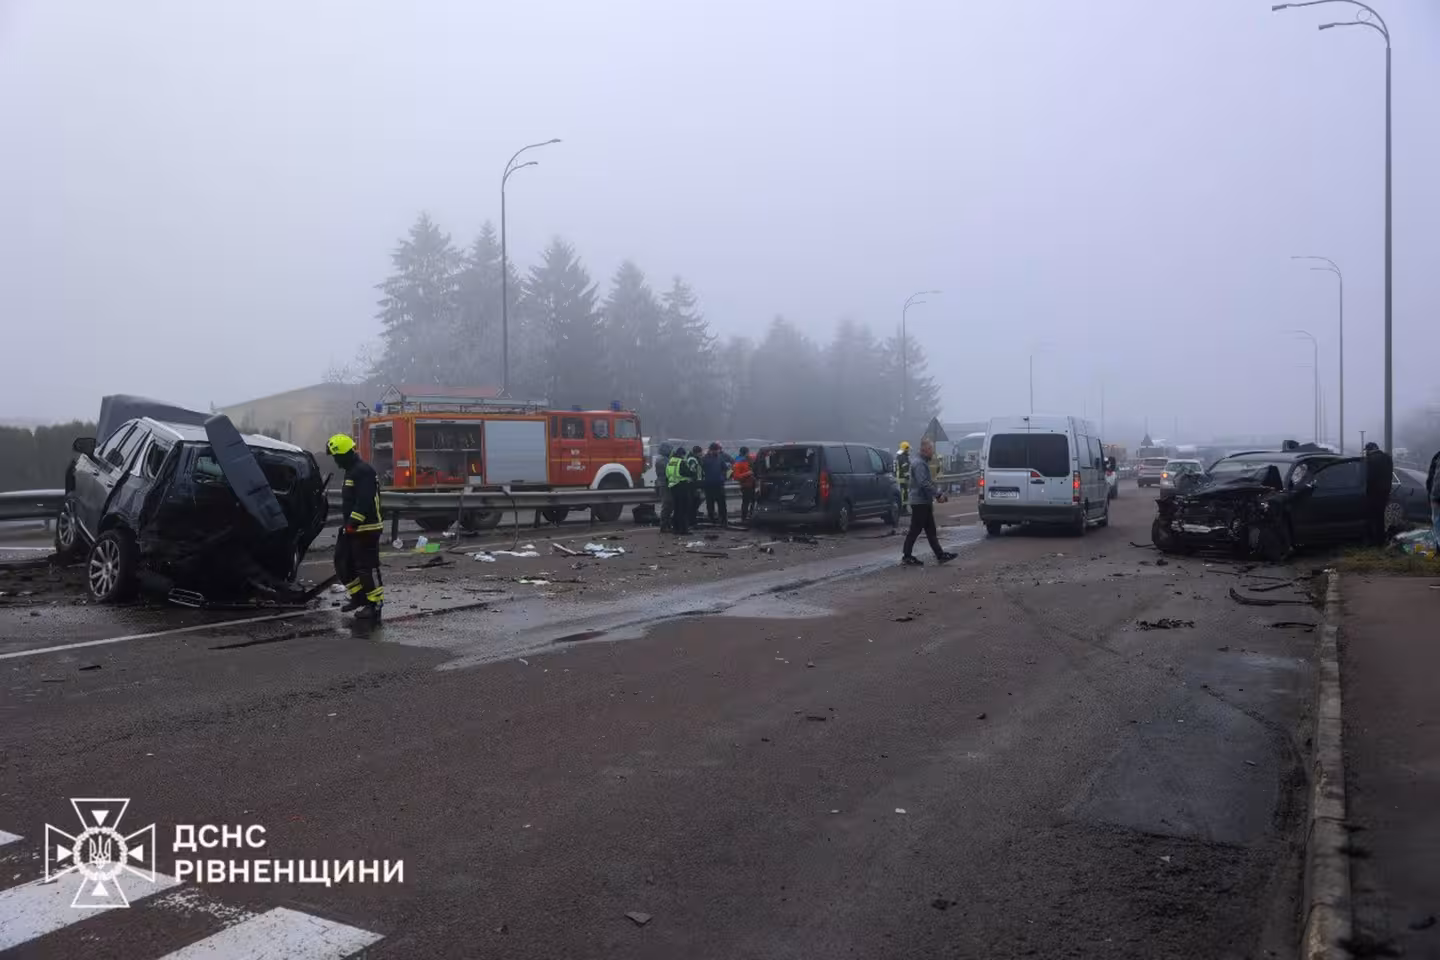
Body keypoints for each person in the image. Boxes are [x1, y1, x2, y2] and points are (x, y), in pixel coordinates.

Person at [326, 434, 385, 620]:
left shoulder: (363, 471)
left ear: (345, 454)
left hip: (367, 528)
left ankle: (374, 604)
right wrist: (348, 525)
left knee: (364, 568)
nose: (335, 461)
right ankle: (358, 597)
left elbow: (364, 501)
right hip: (353, 528)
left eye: (337, 457)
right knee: (342, 562)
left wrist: (353, 523)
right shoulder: (352, 471)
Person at [901, 438, 957, 567]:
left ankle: (940, 555)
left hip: (923, 501)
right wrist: (937, 495)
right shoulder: (919, 464)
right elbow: (923, 483)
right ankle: (907, 556)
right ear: (925, 450)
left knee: (931, 530)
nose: (933, 452)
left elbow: (925, 482)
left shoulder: (921, 462)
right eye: (931, 449)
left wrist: (935, 495)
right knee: (915, 530)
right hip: (920, 502)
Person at [1363, 441, 1394, 545]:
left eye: (1367, 450)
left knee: (1371, 517)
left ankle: (1371, 540)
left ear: (1370, 449)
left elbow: (1369, 478)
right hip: (1385, 492)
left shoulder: (1370, 459)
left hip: (1373, 492)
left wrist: (1367, 491)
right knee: (1380, 517)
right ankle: (1381, 540)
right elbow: (1390, 475)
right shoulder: (1387, 458)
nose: (1366, 452)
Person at [702, 442, 729, 527]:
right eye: (716, 450)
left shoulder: (719, 458)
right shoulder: (704, 459)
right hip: (709, 484)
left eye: (717, 450)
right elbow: (701, 470)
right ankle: (712, 519)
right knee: (710, 503)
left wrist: (724, 477)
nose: (717, 451)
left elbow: (726, 469)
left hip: (719, 484)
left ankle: (723, 519)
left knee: (722, 503)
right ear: (711, 450)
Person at [666, 446, 690, 536]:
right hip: (682, 486)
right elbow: (686, 472)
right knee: (683, 509)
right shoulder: (681, 462)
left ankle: (675, 528)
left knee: (676, 508)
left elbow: (667, 474)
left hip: (673, 486)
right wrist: (692, 473)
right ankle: (683, 529)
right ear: (682, 454)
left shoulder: (670, 461)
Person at [733, 446, 756, 522]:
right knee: (746, 502)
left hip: (752, 483)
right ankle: (744, 518)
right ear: (746, 453)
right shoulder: (738, 462)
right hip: (745, 485)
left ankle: (751, 515)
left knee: (754, 501)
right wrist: (747, 473)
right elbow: (736, 476)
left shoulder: (749, 460)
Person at [655, 443, 675, 531]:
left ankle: (667, 524)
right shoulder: (662, 460)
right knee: (667, 504)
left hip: (665, 483)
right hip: (664, 484)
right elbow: (668, 471)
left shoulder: (663, 459)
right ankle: (664, 525)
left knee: (669, 505)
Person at [687, 445, 704, 526]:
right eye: (700, 452)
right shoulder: (692, 460)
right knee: (694, 503)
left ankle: (692, 520)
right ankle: (692, 521)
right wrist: (697, 484)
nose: (701, 454)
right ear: (697, 452)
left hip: (696, 483)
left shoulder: (695, 459)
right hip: (694, 484)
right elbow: (692, 471)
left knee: (695, 502)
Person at [895, 441, 911, 515]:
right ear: (905, 449)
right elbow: (905, 468)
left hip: (898, 478)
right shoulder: (904, 457)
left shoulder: (898, 456)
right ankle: (903, 510)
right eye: (908, 449)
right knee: (904, 494)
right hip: (902, 478)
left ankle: (901, 509)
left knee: (902, 493)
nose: (908, 451)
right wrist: (907, 476)